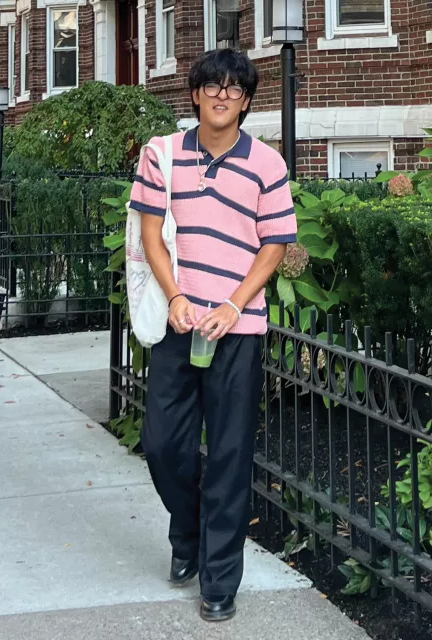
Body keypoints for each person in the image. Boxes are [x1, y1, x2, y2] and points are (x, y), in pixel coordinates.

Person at [128, 48, 297, 622]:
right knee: (161, 445)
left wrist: (232, 304)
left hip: (237, 326)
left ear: (246, 102)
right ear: (196, 94)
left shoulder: (267, 165)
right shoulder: (164, 156)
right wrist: (176, 296)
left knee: (229, 454)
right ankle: (190, 532)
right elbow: (151, 236)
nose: (223, 96)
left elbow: (273, 245)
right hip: (180, 325)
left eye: (235, 89)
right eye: (212, 86)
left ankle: (218, 579)